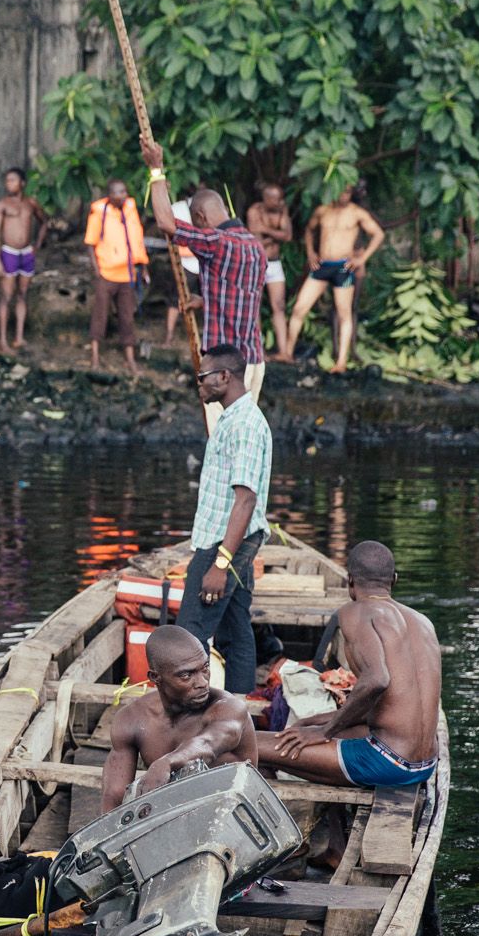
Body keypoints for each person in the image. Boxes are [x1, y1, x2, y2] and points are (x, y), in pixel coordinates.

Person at [255, 541, 441, 792]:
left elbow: (377, 680)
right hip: (426, 765)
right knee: (298, 733)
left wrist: (324, 731)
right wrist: (318, 720)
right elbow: (396, 703)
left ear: (350, 581)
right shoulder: (423, 622)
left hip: (388, 762)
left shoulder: (355, 612)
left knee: (249, 743)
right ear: (394, 580)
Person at [168, 344, 271, 696]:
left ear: (225, 377)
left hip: (226, 544)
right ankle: (238, 708)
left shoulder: (243, 424)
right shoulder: (232, 417)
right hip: (227, 540)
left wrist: (221, 564)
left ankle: (181, 720)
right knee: (235, 627)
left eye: (203, 376)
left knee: (188, 635)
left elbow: (246, 499)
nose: (198, 383)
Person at [137, 140, 268, 398]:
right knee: (241, 434)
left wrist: (156, 169)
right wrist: (205, 301)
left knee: (224, 438)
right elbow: (240, 300)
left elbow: (165, 223)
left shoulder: (218, 243)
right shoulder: (255, 245)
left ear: (200, 217)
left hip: (226, 370)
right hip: (253, 361)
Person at [97, 625, 257, 815]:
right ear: (155, 678)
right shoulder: (131, 719)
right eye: (186, 675)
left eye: (205, 668)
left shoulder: (229, 707)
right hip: (172, 818)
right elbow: (114, 797)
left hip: (234, 817)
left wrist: (166, 762)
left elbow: (207, 744)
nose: (203, 682)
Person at [285, 183, 384, 373]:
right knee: (299, 308)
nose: (343, 195)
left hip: (343, 267)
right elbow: (309, 230)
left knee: (344, 313)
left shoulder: (357, 213)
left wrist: (362, 258)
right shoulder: (323, 210)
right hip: (322, 265)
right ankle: (288, 353)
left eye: (347, 192)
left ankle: (341, 362)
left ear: (351, 193)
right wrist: (310, 252)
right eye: (340, 191)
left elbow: (378, 234)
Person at [85, 177, 149, 377]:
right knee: (100, 315)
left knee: (127, 316)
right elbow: (90, 243)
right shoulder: (100, 213)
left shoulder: (130, 210)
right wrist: (97, 271)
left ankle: (129, 357)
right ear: (109, 195)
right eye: (117, 193)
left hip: (127, 274)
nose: (121, 196)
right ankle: (95, 355)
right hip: (106, 273)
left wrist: (144, 267)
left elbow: (137, 241)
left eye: (124, 192)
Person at [0, 167, 48, 352]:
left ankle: (19, 337)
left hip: (27, 253)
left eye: (13, 180)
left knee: (23, 294)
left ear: (22, 183)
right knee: (6, 296)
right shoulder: (2, 205)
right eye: (7, 181)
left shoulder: (31, 203)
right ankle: (3, 341)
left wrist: (37, 246)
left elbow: (44, 222)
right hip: (9, 253)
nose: (9, 184)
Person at [246, 183, 294, 361]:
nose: (278, 202)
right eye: (275, 199)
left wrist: (266, 230)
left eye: (280, 198)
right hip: (257, 263)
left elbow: (287, 236)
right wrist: (276, 234)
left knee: (279, 305)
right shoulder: (254, 211)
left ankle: (284, 351)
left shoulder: (282, 211)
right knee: (255, 306)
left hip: (274, 263)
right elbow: (256, 240)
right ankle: (259, 351)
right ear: (265, 198)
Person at [159, 196, 203, 352]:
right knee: (175, 300)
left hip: (205, 263)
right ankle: (169, 336)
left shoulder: (210, 205)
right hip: (185, 262)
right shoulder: (177, 209)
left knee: (208, 299)